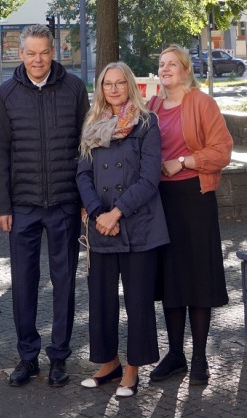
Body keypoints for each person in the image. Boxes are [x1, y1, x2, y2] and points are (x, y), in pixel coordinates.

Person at [0, 22, 89, 386]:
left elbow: (86, 148)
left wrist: (84, 200)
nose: (37, 59)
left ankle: (59, 357)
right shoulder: (6, 94)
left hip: (64, 202)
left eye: (43, 53)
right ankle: (27, 356)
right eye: (31, 53)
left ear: (54, 51)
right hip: (23, 206)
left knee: (64, 283)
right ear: (21, 54)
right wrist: (2, 205)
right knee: (24, 284)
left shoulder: (75, 88)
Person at [76, 62, 169, 399]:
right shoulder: (93, 124)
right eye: (107, 84)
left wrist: (116, 213)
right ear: (101, 89)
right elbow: (83, 174)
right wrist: (100, 214)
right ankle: (108, 362)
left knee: (138, 300)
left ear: (130, 85)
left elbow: (149, 179)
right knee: (100, 299)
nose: (113, 89)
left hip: (138, 223)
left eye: (119, 83)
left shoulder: (146, 123)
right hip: (101, 223)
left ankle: (132, 368)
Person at [147, 45, 231, 386]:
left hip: (194, 199)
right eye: (161, 64)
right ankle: (175, 355)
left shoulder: (201, 103)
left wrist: (183, 162)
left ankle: (199, 358)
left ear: (185, 71)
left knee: (197, 278)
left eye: (172, 64)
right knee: (170, 279)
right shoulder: (151, 106)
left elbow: (222, 150)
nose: (166, 69)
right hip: (159, 201)